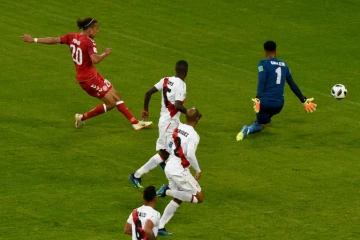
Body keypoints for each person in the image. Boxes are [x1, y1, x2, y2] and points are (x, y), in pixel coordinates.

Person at [21, 18, 152, 130]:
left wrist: (34, 39)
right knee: (111, 103)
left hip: (93, 75)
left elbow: (53, 40)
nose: (97, 31)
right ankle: (81, 117)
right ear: (90, 30)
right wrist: (104, 54)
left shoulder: (71, 37)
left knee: (116, 95)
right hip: (88, 80)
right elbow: (95, 60)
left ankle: (135, 122)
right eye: (96, 29)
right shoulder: (89, 42)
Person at [236, 40, 317, 141]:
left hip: (265, 103)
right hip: (279, 105)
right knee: (266, 119)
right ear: (276, 51)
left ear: (265, 52)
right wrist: (303, 100)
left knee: (261, 124)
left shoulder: (263, 64)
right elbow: (293, 84)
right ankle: (264, 119)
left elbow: (261, 81)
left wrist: (258, 98)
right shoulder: (284, 65)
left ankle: (247, 129)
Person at [129, 61, 188, 188]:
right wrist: (191, 113)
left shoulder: (166, 80)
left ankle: (167, 171)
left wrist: (145, 109)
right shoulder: (182, 85)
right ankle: (136, 175)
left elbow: (148, 93)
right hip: (169, 123)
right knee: (167, 153)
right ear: (186, 72)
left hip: (170, 122)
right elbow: (178, 106)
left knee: (176, 148)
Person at [156, 108, 204, 236]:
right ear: (197, 118)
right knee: (199, 197)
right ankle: (165, 191)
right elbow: (191, 154)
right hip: (180, 170)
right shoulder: (194, 135)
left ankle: (160, 226)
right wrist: (198, 170)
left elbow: (170, 145)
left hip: (170, 166)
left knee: (178, 198)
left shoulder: (178, 127)